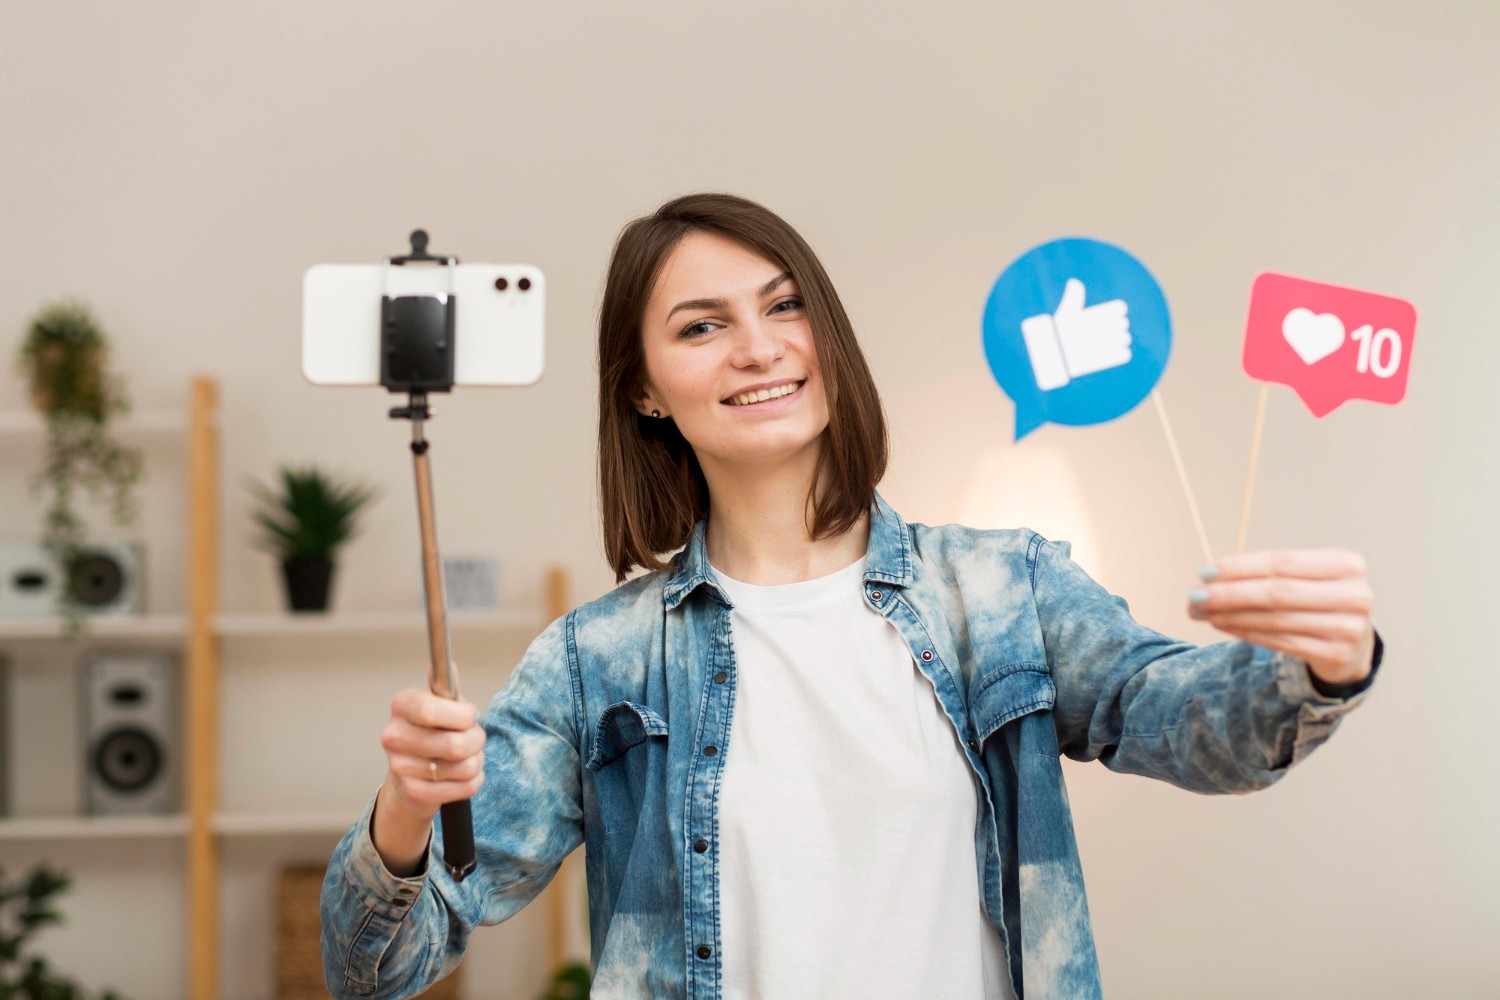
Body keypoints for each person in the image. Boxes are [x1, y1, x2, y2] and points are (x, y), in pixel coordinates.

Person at [320, 193, 1382, 999]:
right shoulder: (597, 662)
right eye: (700, 326)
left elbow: (1199, 724)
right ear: (642, 388)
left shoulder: (1002, 588)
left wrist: (1325, 663)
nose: (759, 345)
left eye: (784, 305)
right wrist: (410, 809)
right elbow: (377, 967)